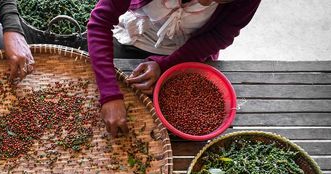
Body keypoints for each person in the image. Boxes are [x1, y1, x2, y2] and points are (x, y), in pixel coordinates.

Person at [87, 0, 261, 137]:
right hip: (135, 36)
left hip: (189, 51)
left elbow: (219, 36)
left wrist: (165, 65)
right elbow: (100, 22)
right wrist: (109, 95)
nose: (206, 3)